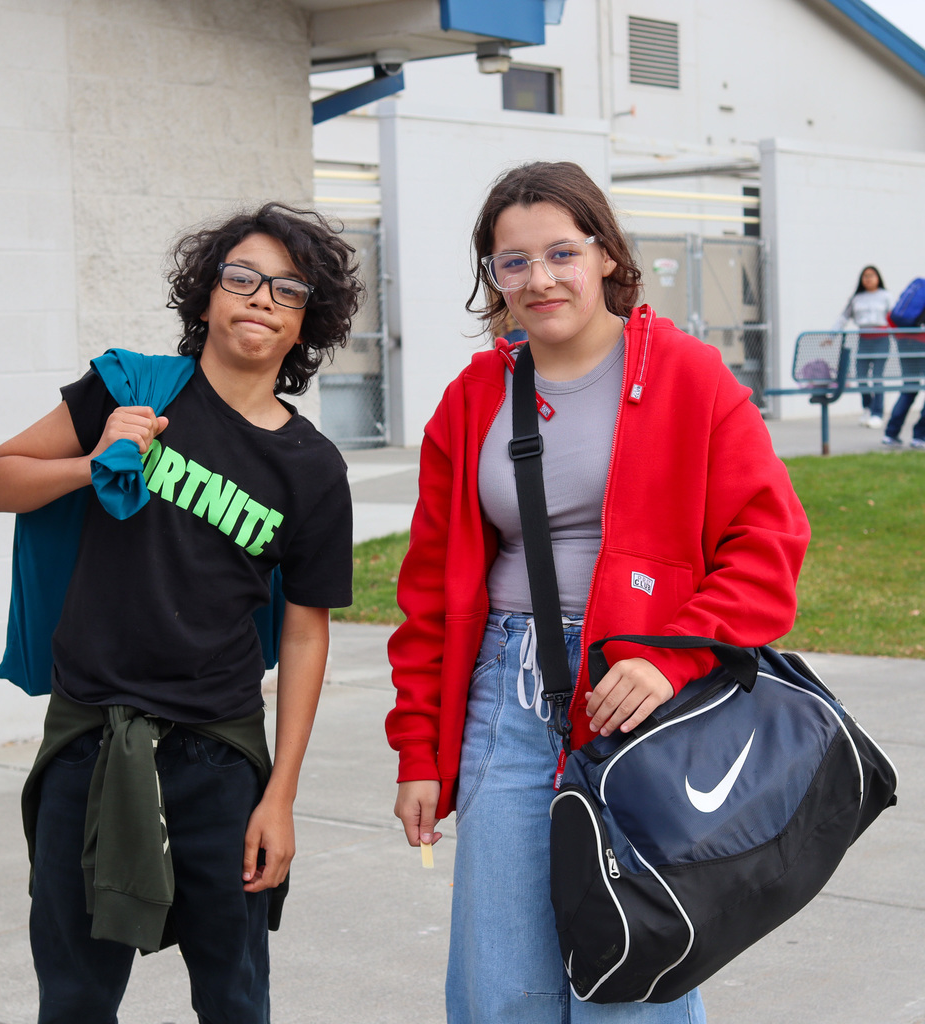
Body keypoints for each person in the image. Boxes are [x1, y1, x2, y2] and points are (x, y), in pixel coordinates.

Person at [385, 161, 810, 1024]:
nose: (539, 279)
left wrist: (672, 655)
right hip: (505, 695)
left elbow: (768, 548)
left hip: (640, 698)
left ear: (607, 255)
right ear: (493, 278)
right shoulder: (472, 401)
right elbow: (430, 594)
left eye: (561, 253)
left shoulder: (693, 378)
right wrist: (420, 751)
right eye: (513, 262)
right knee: (502, 978)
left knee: (634, 966)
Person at [0, 203, 362, 1024]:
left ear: (305, 326)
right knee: (75, 999)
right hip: (91, 741)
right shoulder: (129, 390)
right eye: (242, 277)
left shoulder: (312, 467)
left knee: (234, 998)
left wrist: (280, 794)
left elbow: (304, 632)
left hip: (221, 758)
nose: (261, 298)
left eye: (287, 290)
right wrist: (97, 459)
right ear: (207, 297)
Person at [832, 265, 894, 428]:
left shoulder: (885, 296)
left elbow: (894, 317)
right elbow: (843, 317)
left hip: (881, 339)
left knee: (877, 378)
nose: (868, 279)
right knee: (861, 377)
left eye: (872, 275)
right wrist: (832, 335)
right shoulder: (856, 298)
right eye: (865, 276)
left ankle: (877, 413)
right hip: (863, 339)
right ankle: (867, 407)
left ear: (878, 278)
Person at [881, 330, 925, 448]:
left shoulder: (908, 310)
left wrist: (902, 335)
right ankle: (920, 436)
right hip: (922, 343)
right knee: (909, 389)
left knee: (909, 389)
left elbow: (891, 317)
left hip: (906, 344)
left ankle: (891, 433)